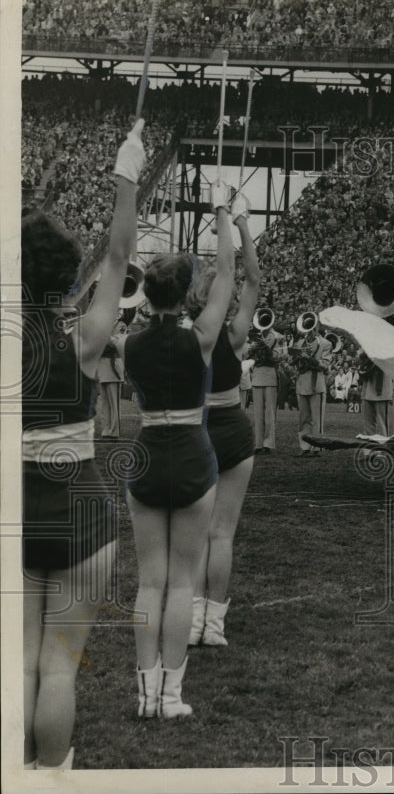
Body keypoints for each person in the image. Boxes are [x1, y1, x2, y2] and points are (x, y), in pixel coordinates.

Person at [21, 120, 144, 770]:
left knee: (18, 662)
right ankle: (48, 777)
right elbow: (120, 261)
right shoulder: (82, 339)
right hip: (80, 516)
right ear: (67, 274)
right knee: (59, 666)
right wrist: (128, 174)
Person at [124, 179, 235, 719]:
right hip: (192, 451)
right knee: (182, 583)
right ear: (183, 290)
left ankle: (147, 694)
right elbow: (229, 278)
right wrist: (222, 211)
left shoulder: (130, 344)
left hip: (148, 450)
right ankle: (169, 697)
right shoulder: (202, 336)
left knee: (150, 582)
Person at [186, 193, 259, 647]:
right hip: (233, 429)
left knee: (196, 534)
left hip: (196, 430)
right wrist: (240, 221)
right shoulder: (234, 335)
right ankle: (214, 625)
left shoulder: (185, 337)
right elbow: (251, 278)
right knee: (222, 535)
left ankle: (194, 622)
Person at [290, 317, 335, 456]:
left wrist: (310, 357)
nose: (309, 330)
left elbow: (325, 366)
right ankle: (304, 447)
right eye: (307, 327)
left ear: (317, 327)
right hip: (303, 381)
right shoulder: (300, 343)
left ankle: (317, 447)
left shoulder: (326, 344)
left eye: (312, 327)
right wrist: (297, 358)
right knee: (303, 418)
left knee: (317, 419)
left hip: (317, 383)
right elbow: (295, 364)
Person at [248, 317, 286, 454]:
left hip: (270, 375)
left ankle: (268, 444)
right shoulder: (257, 337)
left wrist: (266, 350)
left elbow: (280, 356)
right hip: (257, 375)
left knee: (269, 412)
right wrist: (253, 348)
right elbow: (249, 355)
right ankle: (258, 444)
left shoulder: (278, 337)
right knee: (257, 413)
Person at [95, 319, 127, 439]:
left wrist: (104, 336)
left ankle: (114, 431)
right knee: (104, 401)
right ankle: (106, 430)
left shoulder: (120, 324)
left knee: (114, 402)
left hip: (113, 365)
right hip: (102, 364)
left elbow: (118, 344)